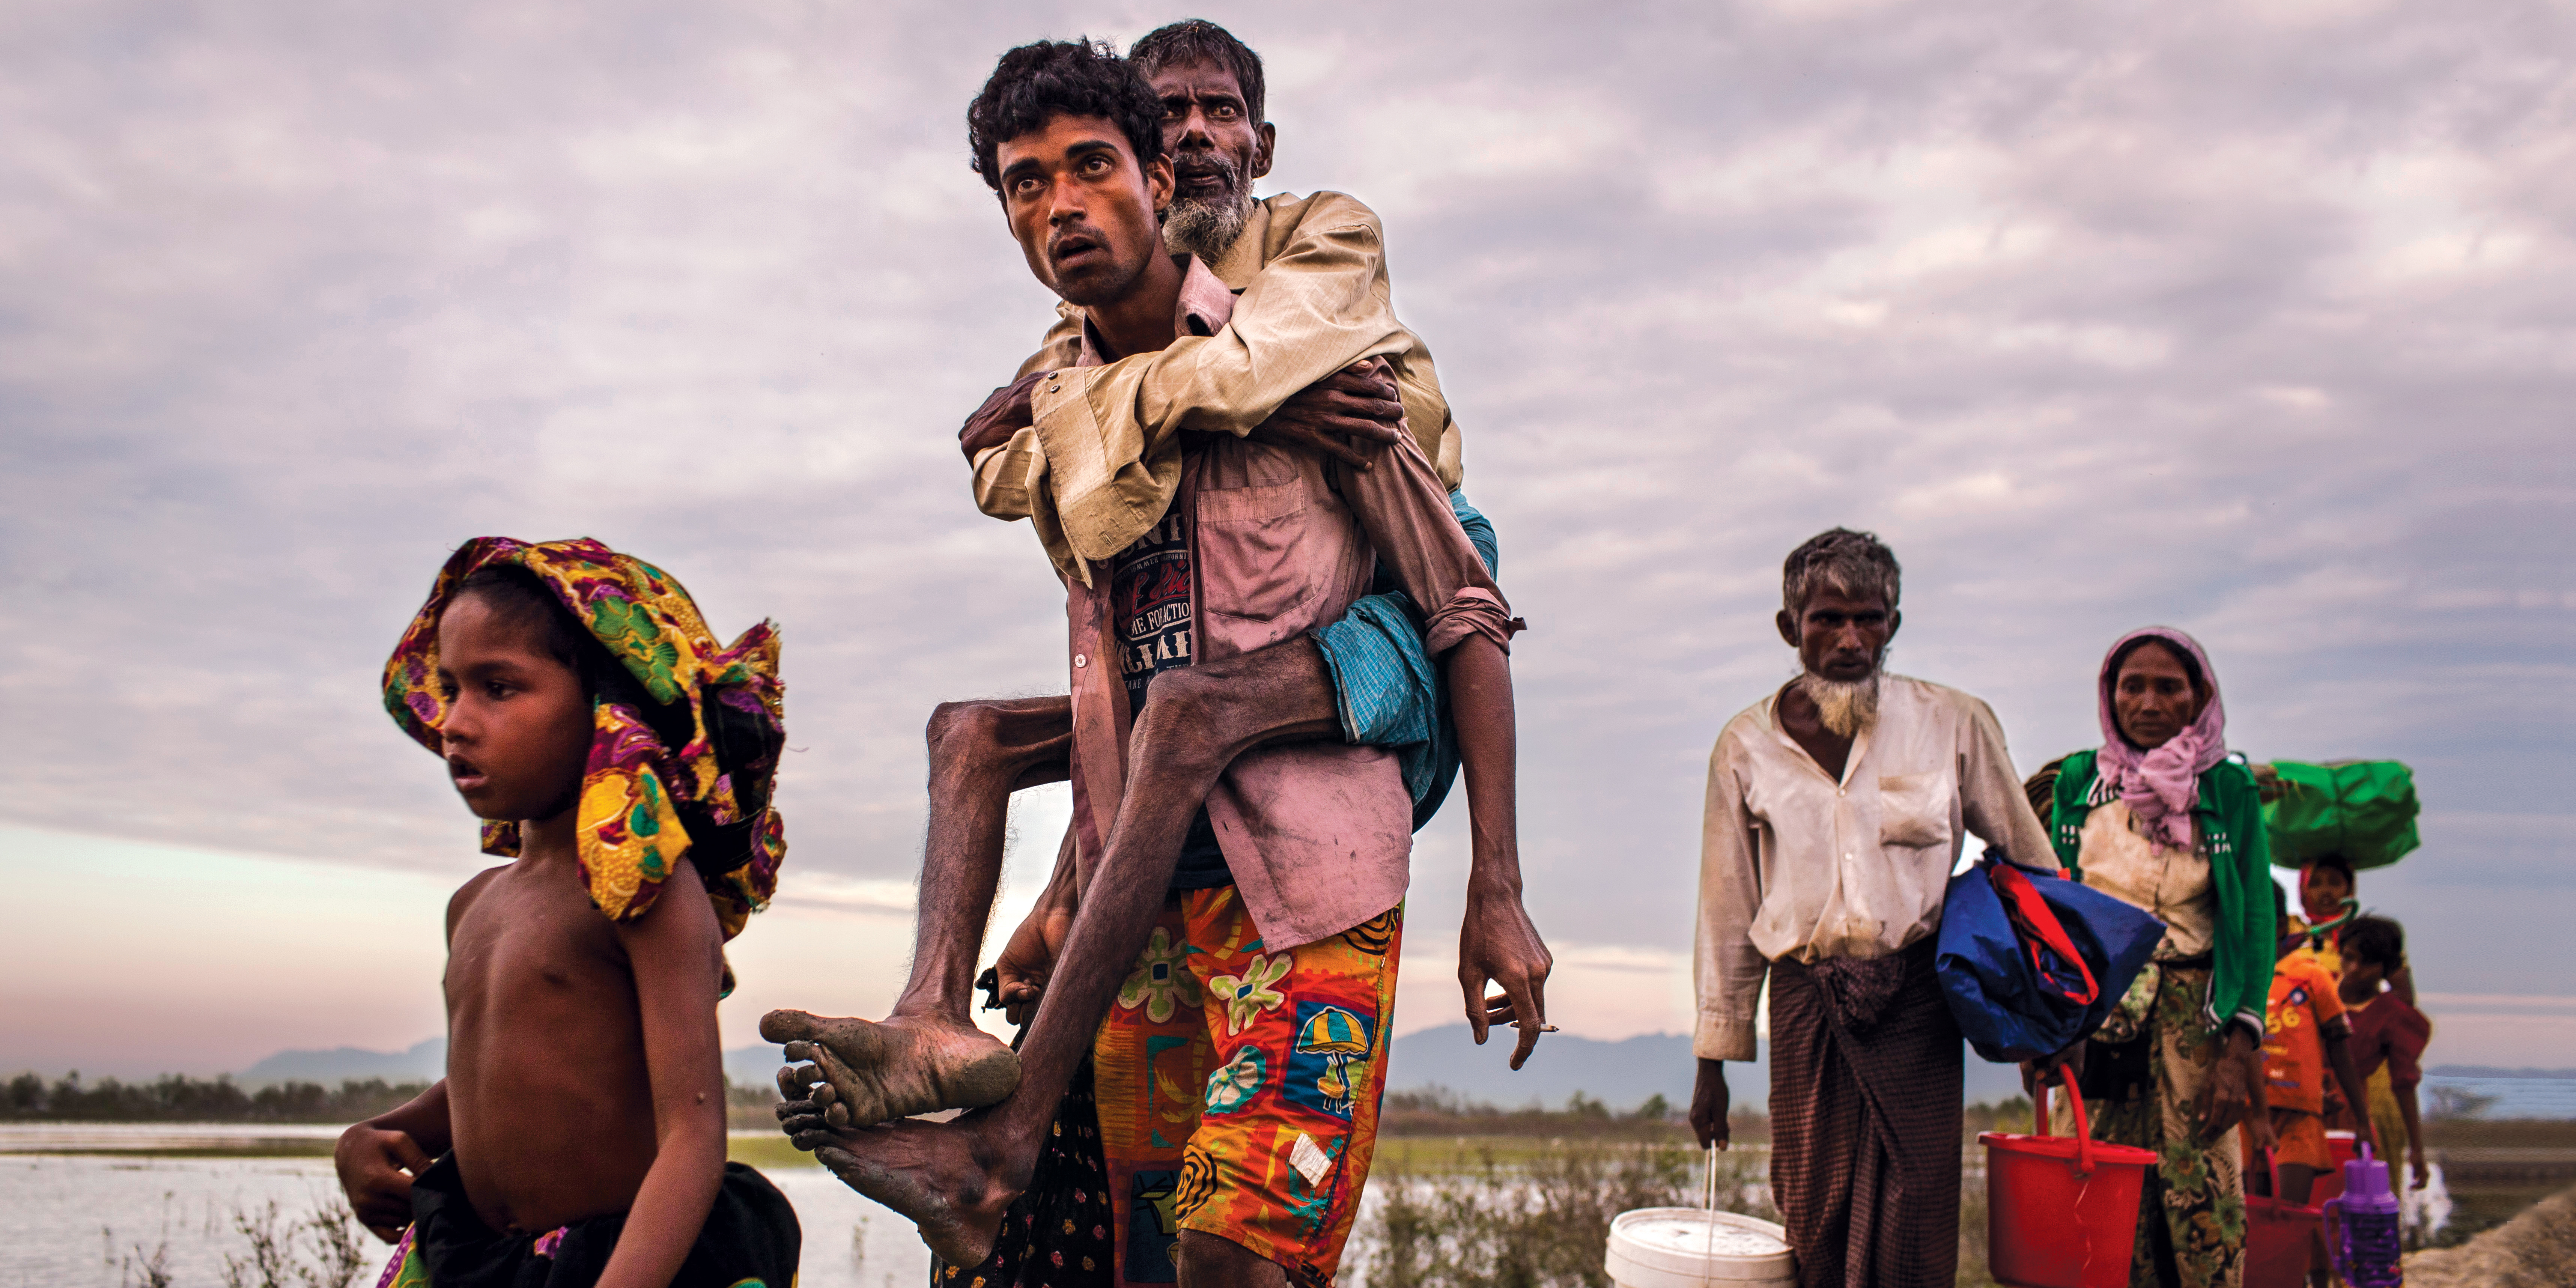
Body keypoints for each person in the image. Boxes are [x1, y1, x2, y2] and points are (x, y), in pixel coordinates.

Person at [775, 42, 1543, 1288]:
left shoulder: (1324, 371)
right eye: (1026, 185)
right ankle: (939, 1040)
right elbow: (1110, 672)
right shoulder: (1058, 414)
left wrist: (1497, 890)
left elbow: (1463, 606)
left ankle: (994, 1150)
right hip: (1150, 920)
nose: (1061, 204)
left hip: (1308, 889)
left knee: (1230, 1257)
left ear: (1158, 173)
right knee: (1141, 1248)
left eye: (1091, 167)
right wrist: (1058, 895)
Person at [335, 539, 800, 1288]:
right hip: (483, 1263)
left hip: (621, 1266)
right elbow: (500, 1082)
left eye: (498, 687)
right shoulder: (474, 905)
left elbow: (692, 1137)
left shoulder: (646, 891)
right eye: (450, 688)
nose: (455, 722)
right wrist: (376, 1135)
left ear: (605, 703)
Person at [1691, 528, 2060, 1288]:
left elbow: (2031, 870)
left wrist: (2048, 1027)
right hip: (1806, 1004)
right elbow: (1727, 911)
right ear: (1790, 628)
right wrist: (1712, 1065)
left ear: (1895, 623)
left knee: (1917, 1212)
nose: (1851, 638)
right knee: (1812, 1212)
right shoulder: (1745, 745)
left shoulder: (1954, 723)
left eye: (1872, 618)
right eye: (1829, 618)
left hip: (1921, 1003)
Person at [2045, 627, 2271, 1288]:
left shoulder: (2226, 789)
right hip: (2098, 1016)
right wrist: (2052, 1029)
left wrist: (2237, 1052)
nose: (2146, 701)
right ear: (2107, 695)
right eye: (2131, 686)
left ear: (2198, 696)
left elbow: (2253, 916)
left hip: (2194, 1022)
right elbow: (2058, 904)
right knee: (2094, 1190)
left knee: (2197, 1192)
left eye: (2166, 687)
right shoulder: (2080, 781)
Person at [2243, 936, 2374, 1216]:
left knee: (2288, 1215)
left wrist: (2363, 1120)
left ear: (2275, 925)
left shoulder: (2310, 976)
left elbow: (2339, 1048)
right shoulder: (2237, 974)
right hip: (2246, 1117)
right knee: (2250, 1219)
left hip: (2299, 1118)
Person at [2336, 915, 2433, 1190]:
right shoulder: (2315, 989)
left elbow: (2404, 1083)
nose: (2354, 970)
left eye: (2368, 963)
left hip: (2352, 1119)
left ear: (2387, 969)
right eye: (2349, 958)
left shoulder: (2393, 1016)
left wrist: (2416, 1149)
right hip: (2295, 1109)